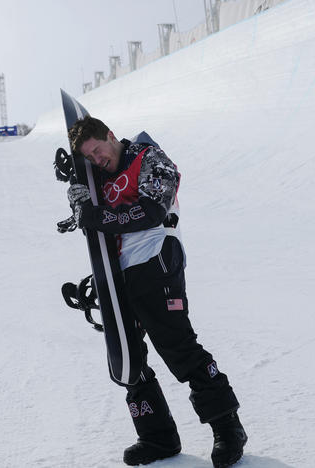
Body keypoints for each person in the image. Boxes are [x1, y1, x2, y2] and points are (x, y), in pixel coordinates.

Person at [66, 116, 247, 468]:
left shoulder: (150, 157)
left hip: (156, 259)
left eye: (99, 151)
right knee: (127, 356)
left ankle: (228, 428)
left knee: (177, 346)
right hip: (118, 273)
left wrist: (93, 215)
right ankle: (157, 436)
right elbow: (94, 222)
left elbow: (150, 211)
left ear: (110, 135)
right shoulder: (99, 178)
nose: (98, 160)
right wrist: (78, 201)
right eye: (90, 158)